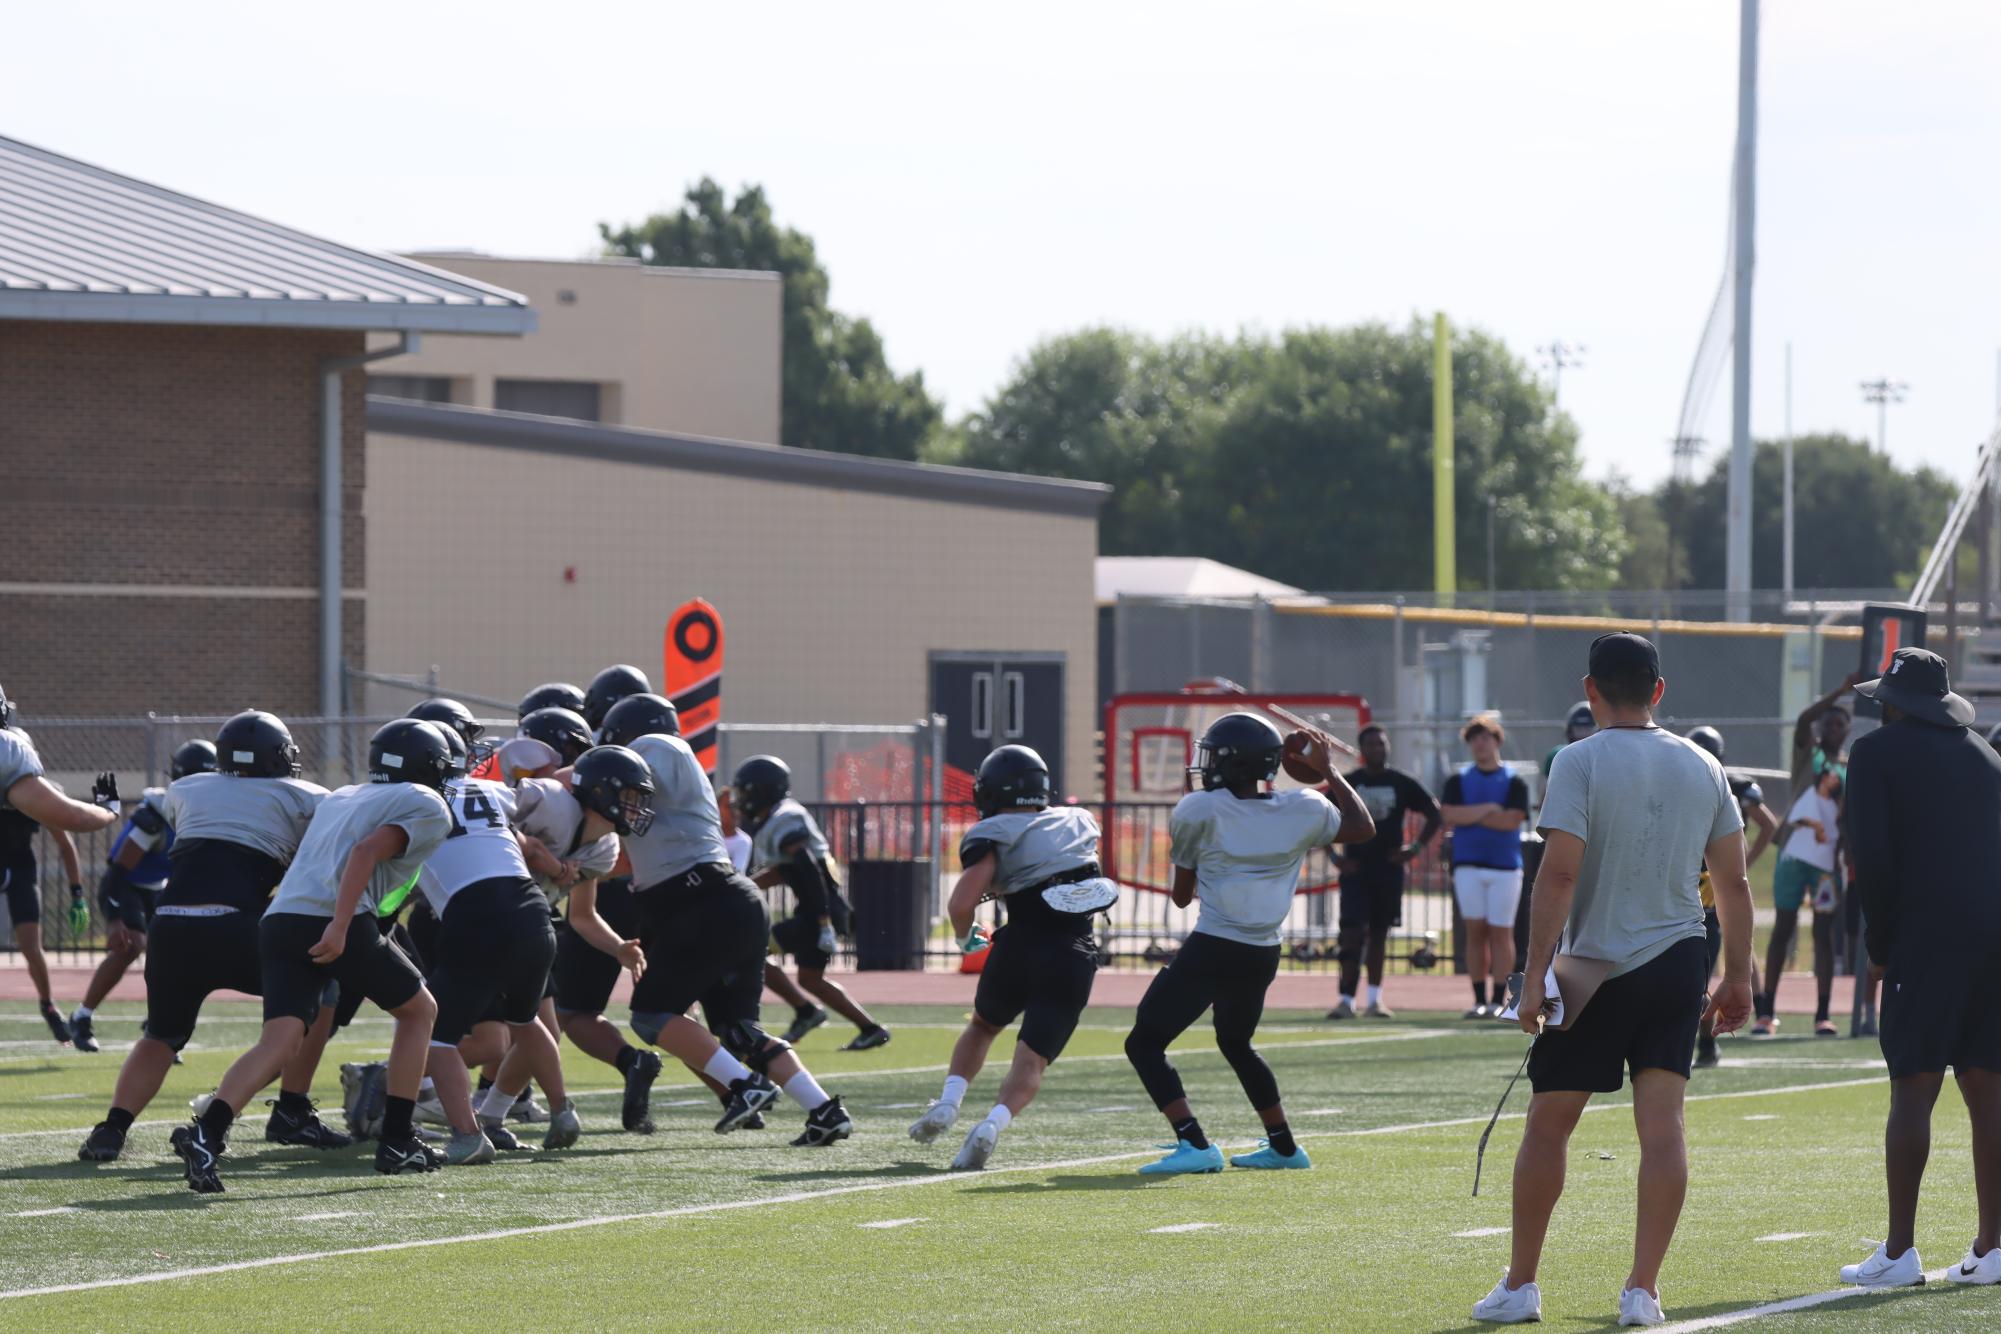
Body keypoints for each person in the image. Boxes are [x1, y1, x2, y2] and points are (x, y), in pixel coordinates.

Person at [1472, 633, 1752, 1327]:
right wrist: (1737, 977)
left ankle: (1521, 1284)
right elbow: (1734, 882)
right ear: (1658, 690)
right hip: (1678, 958)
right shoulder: (1703, 763)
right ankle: (1641, 1291)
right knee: (1662, 1129)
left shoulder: (1577, 759)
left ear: (1589, 688)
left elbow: (1558, 873)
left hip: (1594, 966)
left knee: (1547, 1125)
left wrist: (1531, 976)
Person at [177, 719, 456, 1193]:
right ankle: (396, 1139)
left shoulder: (345, 794)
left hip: (281, 919)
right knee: (419, 1011)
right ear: (430, 766)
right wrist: (343, 924)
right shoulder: (427, 802)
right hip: (334, 917)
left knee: (279, 1041)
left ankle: (207, 1134)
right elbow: (365, 853)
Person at [76, 712, 342, 1164]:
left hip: (171, 923)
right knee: (321, 992)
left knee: (161, 1036)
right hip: (237, 924)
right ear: (279, 756)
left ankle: (111, 1129)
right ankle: (288, 1109)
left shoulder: (185, 790)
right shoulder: (306, 796)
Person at [1122, 713, 1374, 1175]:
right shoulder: (1302, 808)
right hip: (1263, 952)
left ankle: (1194, 1143)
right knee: (1236, 1042)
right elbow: (1362, 827)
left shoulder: (1200, 809)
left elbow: (1181, 897)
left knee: (1144, 1042)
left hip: (1215, 943)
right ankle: (1283, 1146)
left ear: (1228, 762)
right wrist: (1330, 772)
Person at [608, 695, 852, 1147]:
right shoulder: (668, 773)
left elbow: (624, 791)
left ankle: (744, 1085)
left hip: (702, 900)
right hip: (722, 899)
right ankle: (824, 1110)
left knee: (649, 1015)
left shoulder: (661, 748)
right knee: (739, 1030)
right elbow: (632, 855)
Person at [1839, 648, 2001, 1289]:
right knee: (1989, 1091)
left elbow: (1872, 861)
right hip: (1994, 938)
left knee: (1913, 1085)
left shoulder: (1876, 755)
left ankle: (1901, 1250)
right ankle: (1992, 1247)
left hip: (1925, 940)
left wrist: (1880, 945)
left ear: (1897, 703)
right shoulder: (1988, 757)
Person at [909, 745, 1112, 1169]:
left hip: (1019, 946)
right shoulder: (1078, 819)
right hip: (1074, 955)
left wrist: (967, 941)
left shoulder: (994, 831)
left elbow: (962, 903)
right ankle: (993, 1125)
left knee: (983, 1026)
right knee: (1031, 1058)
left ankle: (948, 1103)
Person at [69, 739, 219, 1053]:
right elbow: (118, 871)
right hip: (127, 888)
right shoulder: (156, 818)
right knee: (131, 947)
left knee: (181, 956)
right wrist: (113, 919)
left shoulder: (199, 814)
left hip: (161, 888)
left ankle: (159, 1027)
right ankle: (81, 1017)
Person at [732, 755, 890, 1051]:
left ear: (761, 790)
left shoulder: (784, 818)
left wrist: (822, 921)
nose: (742, 800)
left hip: (819, 911)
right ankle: (871, 1028)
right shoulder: (780, 816)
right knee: (811, 979)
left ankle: (802, 1013)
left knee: (750, 952)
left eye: (746, 792)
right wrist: (745, 885)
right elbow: (786, 869)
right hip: (821, 909)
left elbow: (807, 867)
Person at [0, 682, 123, 1043]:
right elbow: (76, 821)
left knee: (30, 945)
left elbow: (65, 841)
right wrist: (108, 811)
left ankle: (47, 1004)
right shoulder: (12, 757)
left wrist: (77, 893)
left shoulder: (30, 787)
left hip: (18, 866)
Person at [1683, 725, 1779, 1068]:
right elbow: (1768, 825)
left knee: (1707, 967)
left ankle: (1710, 1040)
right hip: (1701, 883)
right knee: (1716, 961)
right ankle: (1755, 1014)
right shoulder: (1714, 783)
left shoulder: (1726, 785)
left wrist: (1740, 866)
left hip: (1703, 886)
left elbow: (1768, 825)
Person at [1328, 725, 1439, 1019]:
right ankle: (1345, 999)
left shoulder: (1401, 782)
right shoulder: (1348, 783)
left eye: (1382, 744)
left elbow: (1434, 813)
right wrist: (1334, 857)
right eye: (1372, 745)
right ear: (1362, 750)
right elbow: (1318, 816)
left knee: (1378, 935)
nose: (1378, 749)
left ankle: (1375, 1000)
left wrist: (1413, 849)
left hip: (1387, 870)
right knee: (1351, 934)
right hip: (1356, 870)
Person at [1441, 714, 1532, 1020]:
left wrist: (1473, 815)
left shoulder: (1514, 781)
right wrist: (1488, 810)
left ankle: (1497, 999)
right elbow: (1449, 814)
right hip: (1467, 864)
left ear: (1497, 741)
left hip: (1505, 867)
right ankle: (1478, 998)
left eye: (1486, 737)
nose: (1480, 743)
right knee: (1475, 931)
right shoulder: (1458, 781)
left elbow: (1512, 820)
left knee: (1501, 932)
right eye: (1475, 739)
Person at [1757, 764, 1844, 1038]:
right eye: (1829, 723)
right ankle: (1766, 1013)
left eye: (1841, 723)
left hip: (1825, 866)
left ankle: (1823, 1015)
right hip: (1793, 859)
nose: (1835, 729)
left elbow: (1847, 817)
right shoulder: (1808, 756)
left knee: (1823, 934)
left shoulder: (1847, 770)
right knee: (1783, 927)